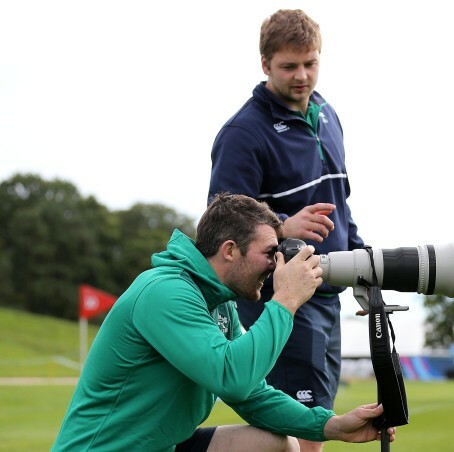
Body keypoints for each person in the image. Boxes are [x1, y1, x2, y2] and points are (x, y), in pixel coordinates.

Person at [52, 193, 394, 451]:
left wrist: (331, 425)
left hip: (163, 446)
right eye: (269, 253)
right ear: (230, 250)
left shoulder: (219, 301)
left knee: (278, 445)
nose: (277, 265)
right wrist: (286, 299)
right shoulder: (165, 291)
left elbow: (251, 394)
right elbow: (231, 378)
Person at [208, 9, 364, 452]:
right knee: (302, 433)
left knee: (313, 425)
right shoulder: (243, 132)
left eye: (310, 63)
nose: (302, 75)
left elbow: (342, 203)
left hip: (328, 291)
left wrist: (362, 260)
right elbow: (219, 228)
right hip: (280, 299)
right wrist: (281, 226)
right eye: (289, 66)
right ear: (265, 65)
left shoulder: (327, 115)